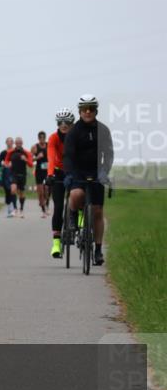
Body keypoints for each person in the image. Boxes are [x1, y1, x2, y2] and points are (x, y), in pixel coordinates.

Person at [64, 94, 114, 266]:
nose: (87, 112)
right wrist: (70, 173)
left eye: (91, 108)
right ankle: (72, 213)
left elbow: (108, 154)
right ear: (79, 111)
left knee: (98, 211)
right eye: (84, 109)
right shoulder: (73, 132)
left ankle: (98, 250)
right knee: (77, 194)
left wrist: (105, 171)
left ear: (95, 110)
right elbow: (68, 156)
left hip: (96, 170)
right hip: (77, 170)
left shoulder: (103, 130)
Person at [46, 108, 74, 258]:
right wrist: (50, 174)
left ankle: (79, 221)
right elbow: (50, 156)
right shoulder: (53, 138)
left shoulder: (77, 136)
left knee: (78, 199)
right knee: (58, 207)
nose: (63, 125)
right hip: (58, 171)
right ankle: (56, 244)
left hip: (74, 170)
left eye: (67, 122)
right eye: (60, 122)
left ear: (72, 123)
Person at [4, 137, 33, 218]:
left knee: (21, 193)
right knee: (13, 189)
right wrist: (7, 164)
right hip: (14, 174)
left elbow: (31, 164)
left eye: (20, 143)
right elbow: (6, 160)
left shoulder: (26, 152)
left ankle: (21, 209)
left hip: (22, 174)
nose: (18, 144)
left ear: (22, 143)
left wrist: (26, 160)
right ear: (15, 144)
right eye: (17, 143)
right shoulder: (11, 152)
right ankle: (15, 209)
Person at [32, 130, 50, 218]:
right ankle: (43, 210)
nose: (42, 139)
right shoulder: (35, 147)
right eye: (40, 138)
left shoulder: (49, 145)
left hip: (48, 170)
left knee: (46, 189)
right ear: (38, 138)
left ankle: (46, 204)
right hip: (39, 171)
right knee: (40, 192)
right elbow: (30, 159)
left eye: (43, 138)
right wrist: (37, 158)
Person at [0, 137, 16, 217]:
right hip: (5, 173)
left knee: (13, 190)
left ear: (13, 143)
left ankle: (14, 208)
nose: (9, 143)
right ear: (6, 143)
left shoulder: (15, 152)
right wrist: (3, 164)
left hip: (14, 173)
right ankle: (9, 207)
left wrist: (13, 164)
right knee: (7, 191)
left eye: (11, 142)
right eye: (8, 142)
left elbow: (20, 162)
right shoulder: (3, 153)